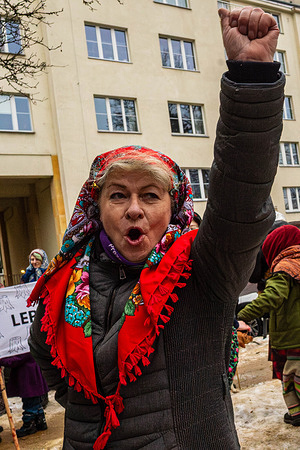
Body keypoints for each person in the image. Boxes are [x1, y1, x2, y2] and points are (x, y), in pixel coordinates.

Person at [28, 7, 284, 449]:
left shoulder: (205, 270)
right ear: (96, 207)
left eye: (150, 195)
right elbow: (50, 365)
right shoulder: (61, 284)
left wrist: (251, 78)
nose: (133, 210)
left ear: (174, 205)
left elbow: (240, 194)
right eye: (118, 195)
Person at [237, 225, 300, 426]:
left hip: (293, 337)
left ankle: (297, 414)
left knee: (292, 377)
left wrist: (240, 316)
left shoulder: (285, 268)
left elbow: (273, 296)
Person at [0, 248, 49, 437]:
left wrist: (3, 360)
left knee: (31, 401)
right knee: (34, 401)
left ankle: (30, 422)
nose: (35, 262)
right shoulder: (28, 273)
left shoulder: (24, 341)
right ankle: (39, 419)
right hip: (34, 373)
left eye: (37, 259)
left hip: (28, 375)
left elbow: (16, 356)